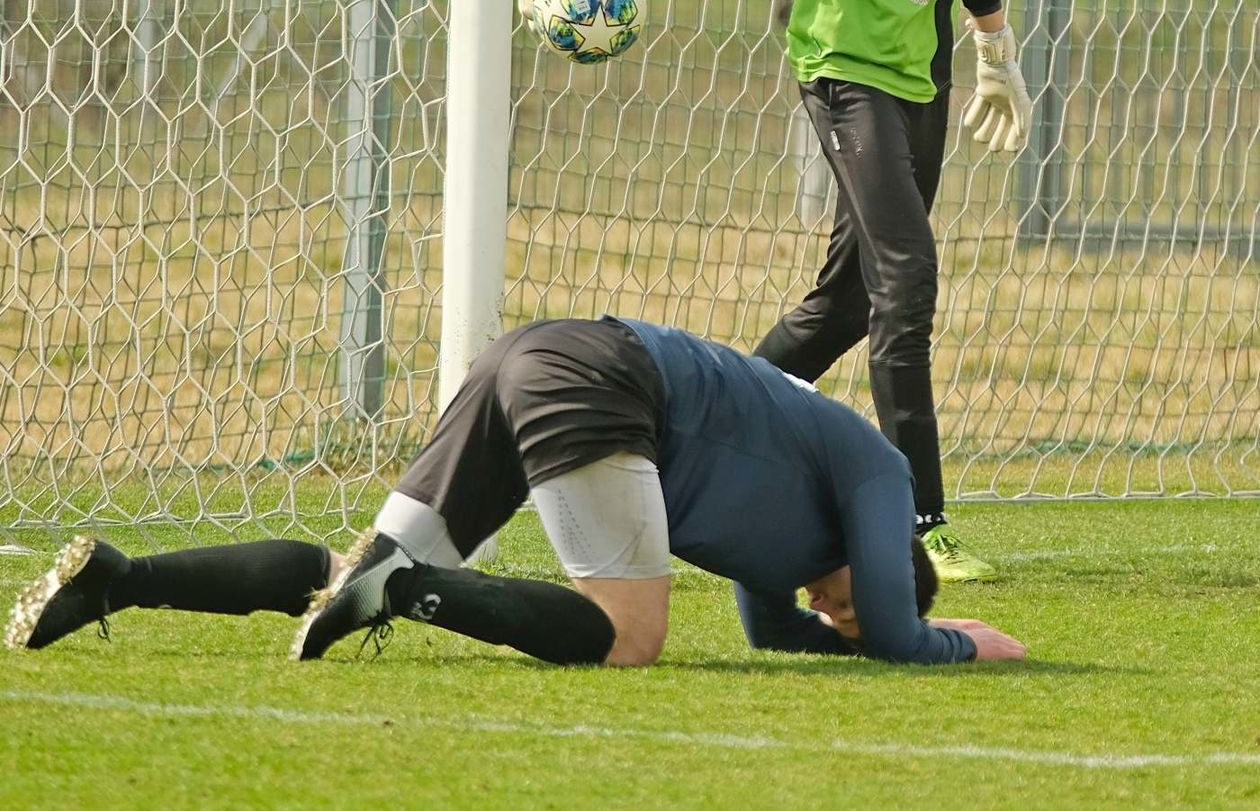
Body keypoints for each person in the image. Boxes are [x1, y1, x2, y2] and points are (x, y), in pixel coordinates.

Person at [518, 0, 1032, 582]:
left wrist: (996, 48)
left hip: (924, 73)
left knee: (840, 304)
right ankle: (922, 519)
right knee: (906, 282)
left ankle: (691, 435)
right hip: (843, 72)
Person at [8, 317, 1025, 667]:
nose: (823, 605)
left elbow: (778, 632)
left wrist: (836, 629)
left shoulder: (791, 561)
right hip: (607, 379)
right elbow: (897, 629)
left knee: (346, 567)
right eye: (844, 595)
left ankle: (117, 579)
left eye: (830, 615)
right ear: (891, 558)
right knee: (628, 634)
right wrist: (969, 639)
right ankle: (406, 590)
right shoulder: (880, 476)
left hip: (529, 357)